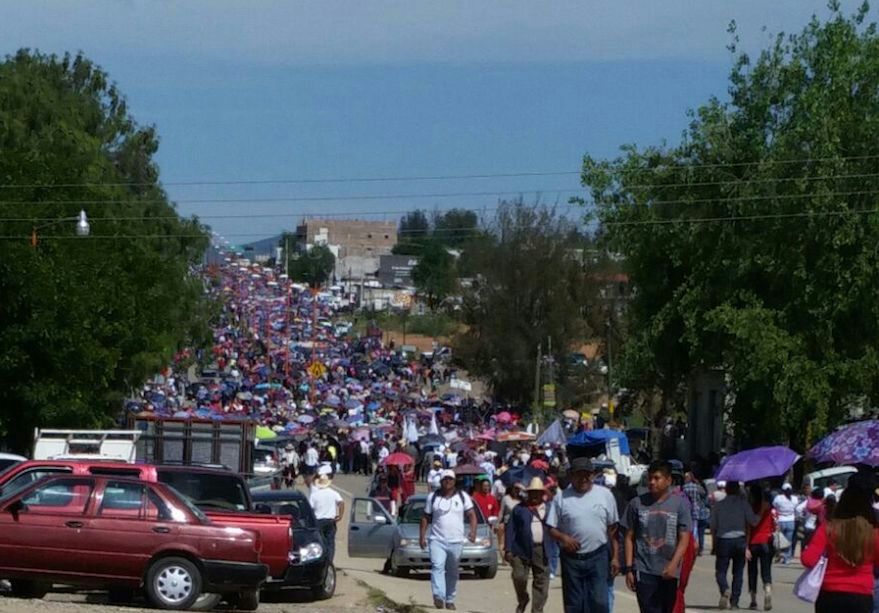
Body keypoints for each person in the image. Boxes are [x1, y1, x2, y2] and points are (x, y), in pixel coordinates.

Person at [546, 456, 620, 613]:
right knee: (574, 604)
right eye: (579, 474)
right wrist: (564, 538)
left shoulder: (605, 495)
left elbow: (613, 529)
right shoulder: (561, 497)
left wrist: (615, 557)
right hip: (572, 559)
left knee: (599, 602)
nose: (583, 478)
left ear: (593, 475)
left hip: (598, 556)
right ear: (571, 476)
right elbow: (551, 528)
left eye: (587, 474)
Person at [802, 472, 879, 613]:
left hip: (830, 593)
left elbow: (807, 559)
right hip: (862, 595)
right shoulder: (874, 533)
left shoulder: (828, 527)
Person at [622, 460, 692, 613]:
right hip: (644, 568)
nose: (652, 482)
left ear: (668, 480)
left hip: (668, 571)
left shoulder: (680, 505)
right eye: (650, 478)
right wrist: (629, 568)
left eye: (657, 478)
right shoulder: (637, 504)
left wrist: (674, 564)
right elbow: (629, 537)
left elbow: (684, 538)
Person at [419, 469, 477, 610]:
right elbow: (426, 517)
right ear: (441, 481)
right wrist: (422, 536)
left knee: (452, 571)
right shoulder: (433, 497)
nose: (448, 481)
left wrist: (473, 531)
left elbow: (472, 515)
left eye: (450, 479)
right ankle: (438, 596)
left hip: (456, 541)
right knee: (437, 567)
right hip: (437, 540)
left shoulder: (463, 496)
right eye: (445, 479)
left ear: (454, 481)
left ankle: (450, 599)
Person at [505, 477, 551, 613]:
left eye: (538, 492)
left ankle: (537, 609)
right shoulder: (519, 509)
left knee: (541, 581)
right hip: (521, 549)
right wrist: (507, 549)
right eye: (532, 492)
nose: (535, 495)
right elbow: (510, 529)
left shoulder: (548, 509)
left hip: (541, 549)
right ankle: (523, 598)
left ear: (542, 493)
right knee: (519, 576)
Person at [711, 481, 759, 609]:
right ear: (738, 490)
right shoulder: (744, 504)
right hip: (740, 540)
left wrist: (714, 544)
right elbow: (753, 521)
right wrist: (762, 512)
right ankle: (734, 602)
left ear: (726, 490)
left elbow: (713, 526)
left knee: (720, 571)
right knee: (738, 573)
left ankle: (724, 588)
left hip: (723, 539)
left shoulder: (718, 505)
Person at [747, 484, 775, 611]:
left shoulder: (751, 508)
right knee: (766, 570)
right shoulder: (769, 509)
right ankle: (768, 590)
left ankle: (753, 600)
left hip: (753, 542)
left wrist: (746, 546)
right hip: (766, 542)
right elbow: (774, 525)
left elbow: (749, 527)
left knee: (752, 572)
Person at [309, 470, 344, 564]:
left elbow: (311, 509)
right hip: (330, 521)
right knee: (330, 542)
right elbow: (341, 503)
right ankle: (329, 562)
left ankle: (320, 561)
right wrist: (340, 516)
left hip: (318, 521)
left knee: (319, 542)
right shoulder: (333, 493)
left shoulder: (314, 495)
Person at [771, 483, 797, 564]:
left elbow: (774, 506)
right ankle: (787, 558)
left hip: (781, 520)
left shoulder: (778, 498)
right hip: (791, 520)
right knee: (788, 540)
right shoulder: (794, 498)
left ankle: (779, 556)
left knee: (779, 540)